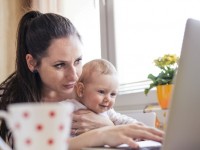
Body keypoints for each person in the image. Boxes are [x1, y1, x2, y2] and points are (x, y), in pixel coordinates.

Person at [0, 10, 164, 149]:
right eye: (59, 65)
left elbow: (116, 119)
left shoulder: (85, 91)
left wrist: (107, 125)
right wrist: (100, 134)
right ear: (32, 62)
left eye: (77, 61)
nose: (74, 75)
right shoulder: (14, 101)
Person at [62, 59, 142, 136]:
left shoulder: (109, 112)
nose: (108, 99)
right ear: (81, 90)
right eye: (101, 92)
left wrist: (139, 129)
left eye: (113, 94)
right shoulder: (69, 107)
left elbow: (124, 121)